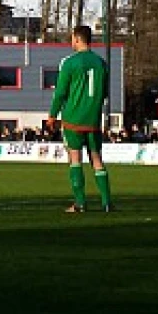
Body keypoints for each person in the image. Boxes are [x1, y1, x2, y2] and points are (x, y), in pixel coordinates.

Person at [49, 24, 112, 213]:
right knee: (97, 159)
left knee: (75, 159)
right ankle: (107, 202)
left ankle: (80, 203)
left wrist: (52, 115)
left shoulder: (69, 63)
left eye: (72, 38)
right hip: (93, 120)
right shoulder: (101, 63)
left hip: (73, 119)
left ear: (77, 39)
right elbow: (105, 93)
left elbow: (60, 92)